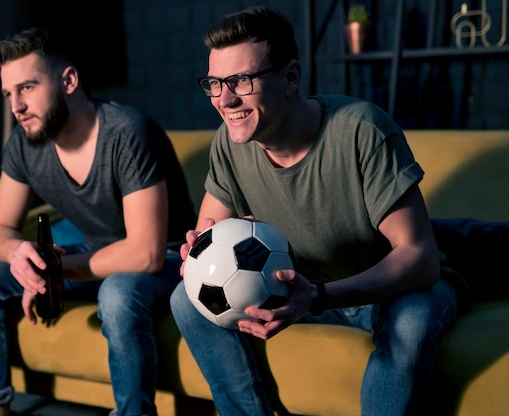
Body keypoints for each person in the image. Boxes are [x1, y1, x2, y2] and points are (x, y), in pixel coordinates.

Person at [170, 5, 458, 416]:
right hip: (298, 290)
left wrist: (318, 296)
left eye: (241, 81)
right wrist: (198, 256)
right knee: (186, 299)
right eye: (215, 83)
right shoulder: (229, 142)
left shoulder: (361, 130)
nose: (225, 99)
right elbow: (207, 232)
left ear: (290, 77)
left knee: (411, 323)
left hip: (385, 291)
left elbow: (420, 258)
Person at [0, 27, 196, 416]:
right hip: (95, 255)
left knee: (118, 294)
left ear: (68, 80)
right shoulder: (24, 143)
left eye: (28, 87)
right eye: (8, 94)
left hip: (171, 261)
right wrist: (21, 255)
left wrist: (53, 269)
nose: (16, 105)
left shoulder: (127, 132)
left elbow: (147, 254)